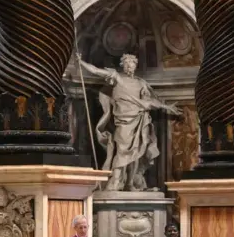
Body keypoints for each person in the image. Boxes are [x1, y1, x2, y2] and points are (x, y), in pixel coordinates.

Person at [76, 52, 181, 191]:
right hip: (123, 121)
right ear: (122, 65)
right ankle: (115, 181)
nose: (129, 66)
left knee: (136, 154)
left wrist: (166, 106)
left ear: (135, 66)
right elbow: (96, 71)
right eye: (126, 63)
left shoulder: (141, 83)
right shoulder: (117, 77)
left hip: (139, 120)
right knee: (122, 151)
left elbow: (149, 101)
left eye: (131, 63)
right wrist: (80, 61)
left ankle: (130, 183)